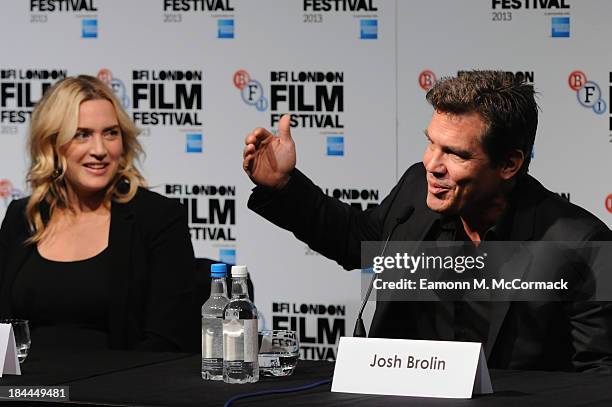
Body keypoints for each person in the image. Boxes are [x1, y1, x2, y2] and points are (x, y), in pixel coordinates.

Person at [243, 71, 612, 372]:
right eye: (431, 143)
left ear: (509, 164)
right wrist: (284, 186)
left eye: (455, 153)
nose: (432, 165)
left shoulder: (583, 245)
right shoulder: (415, 189)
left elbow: (599, 377)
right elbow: (354, 238)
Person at [0, 75, 197, 352]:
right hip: (24, 391)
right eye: (82, 134)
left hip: (116, 392)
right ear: (53, 143)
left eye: (110, 133)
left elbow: (168, 338)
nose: (100, 150)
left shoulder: (157, 217)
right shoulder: (22, 215)